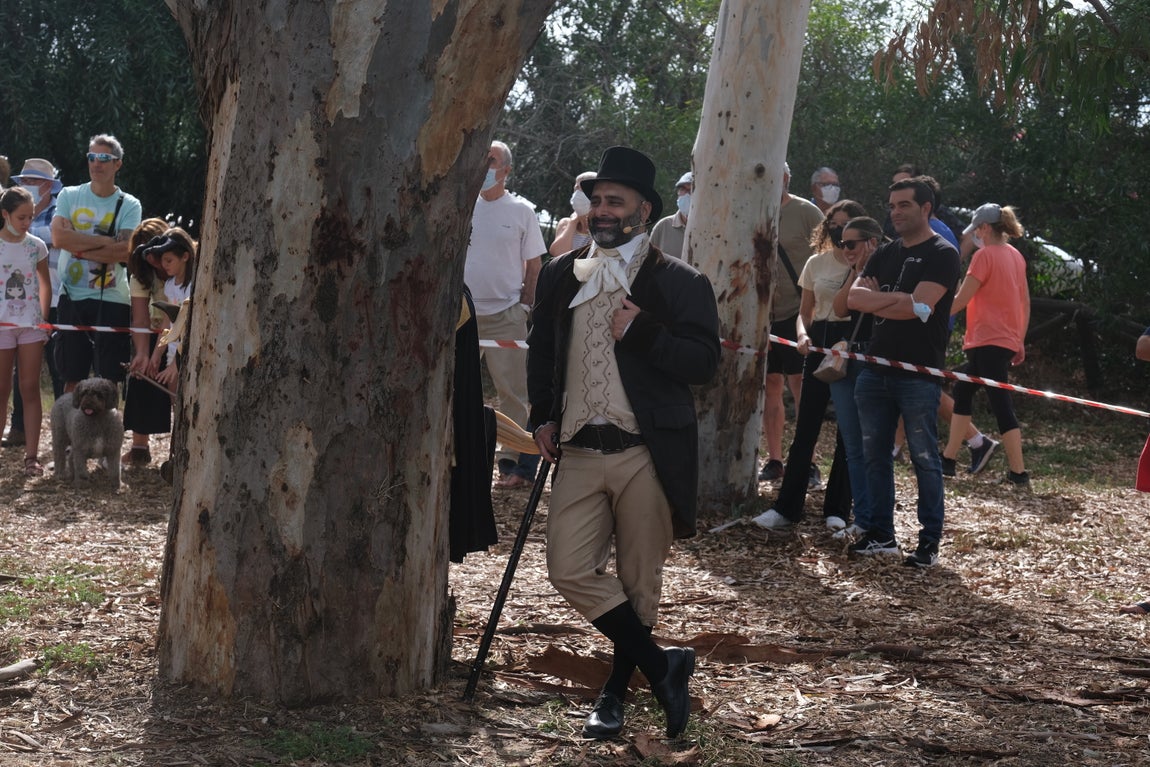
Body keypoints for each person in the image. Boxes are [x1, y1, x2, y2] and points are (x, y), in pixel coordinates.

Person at [527, 146, 720, 740]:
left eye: (616, 201)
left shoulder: (681, 281)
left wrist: (643, 333)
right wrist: (541, 415)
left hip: (646, 451)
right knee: (567, 568)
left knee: (640, 584)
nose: (603, 210)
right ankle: (666, 665)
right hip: (580, 449)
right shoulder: (562, 273)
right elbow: (542, 351)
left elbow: (704, 363)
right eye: (597, 200)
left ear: (644, 208)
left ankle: (614, 693)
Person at [847, 177, 960, 568]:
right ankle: (881, 535)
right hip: (874, 370)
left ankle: (928, 543)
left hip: (919, 374)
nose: (894, 212)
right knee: (873, 456)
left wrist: (887, 302)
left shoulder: (943, 254)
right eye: (891, 205)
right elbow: (853, 299)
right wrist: (897, 300)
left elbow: (921, 307)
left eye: (904, 205)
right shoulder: (885, 254)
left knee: (925, 458)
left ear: (926, 208)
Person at [752, 199, 867, 532]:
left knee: (849, 430)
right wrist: (803, 336)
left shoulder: (869, 265)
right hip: (818, 343)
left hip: (851, 345)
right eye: (834, 223)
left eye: (847, 226)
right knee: (806, 428)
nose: (840, 231)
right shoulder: (815, 263)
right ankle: (786, 508)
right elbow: (805, 312)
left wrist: (861, 268)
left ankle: (838, 509)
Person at [463, 140, 545, 488]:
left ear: (506, 170)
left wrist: (525, 306)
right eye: (481, 159)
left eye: (491, 160)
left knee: (512, 394)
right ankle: (459, 459)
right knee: (456, 389)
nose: (485, 167)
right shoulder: (462, 204)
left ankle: (509, 465)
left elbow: (535, 265)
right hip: (461, 315)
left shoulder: (522, 211)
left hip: (506, 315)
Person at [942, 204, 1031, 488]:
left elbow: (961, 298)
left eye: (976, 229)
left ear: (984, 228)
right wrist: (1019, 339)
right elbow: (1024, 302)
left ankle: (1018, 472)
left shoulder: (983, 257)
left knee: (1000, 403)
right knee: (963, 389)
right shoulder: (1016, 256)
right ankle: (948, 459)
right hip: (1002, 340)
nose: (975, 235)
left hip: (986, 339)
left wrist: (932, 316)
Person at [50, 134, 142, 393]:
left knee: (109, 381)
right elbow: (58, 238)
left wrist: (78, 247)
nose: (96, 164)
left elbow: (126, 251)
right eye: (92, 157)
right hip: (71, 295)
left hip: (113, 298)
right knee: (71, 377)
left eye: (104, 158)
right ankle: (70, 432)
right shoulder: (68, 195)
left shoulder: (130, 204)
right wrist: (106, 243)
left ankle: (107, 434)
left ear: (117, 164)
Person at [760, 163, 824, 482]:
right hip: (761, 316)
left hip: (798, 313)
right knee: (771, 386)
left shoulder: (806, 212)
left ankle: (808, 462)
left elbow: (828, 253)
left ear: (786, 177)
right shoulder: (752, 209)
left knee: (801, 387)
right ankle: (774, 461)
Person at [826, 216, 884, 541]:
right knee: (853, 447)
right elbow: (841, 306)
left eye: (852, 244)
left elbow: (877, 307)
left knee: (873, 448)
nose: (845, 249)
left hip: (873, 366)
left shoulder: (889, 268)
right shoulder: (855, 271)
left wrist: (872, 297)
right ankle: (862, 519)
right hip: (847, 364)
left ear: (872, 242)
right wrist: (857, 273)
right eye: (842, 244)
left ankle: (879, 524)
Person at [4, 159, 65, 448]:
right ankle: (16, 434)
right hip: (10, 316)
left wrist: (42, 317)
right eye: (23, 179)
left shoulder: (58, 213)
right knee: (12, 382)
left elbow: (46, 281)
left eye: (32, 179)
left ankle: (48, 443)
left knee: (49, 375)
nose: (25, 184)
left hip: (47, 310)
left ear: (47, 185)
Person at [0, 188, 52, 476]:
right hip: (2, 327)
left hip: (30, 327)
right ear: (5, 214)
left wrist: (43, 319)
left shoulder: (37, 246)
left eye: (31, 217)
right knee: (1, 389)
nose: (27, 222)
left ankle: (31, 457)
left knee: (29, 388)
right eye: (21, 217)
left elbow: (45, 284)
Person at [549, 171, 596, 257]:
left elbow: (589, 256)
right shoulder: (565, 223)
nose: (578, 193)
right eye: (576, 188)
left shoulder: (601, 227)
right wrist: (573, 222)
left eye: (583, 189)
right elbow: (558, 253)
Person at [649, 171, 693, 259]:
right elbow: (648, 262)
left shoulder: (713, 228)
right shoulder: (663, 227)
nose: (687, 194)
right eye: (683, 189)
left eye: (691, 190)